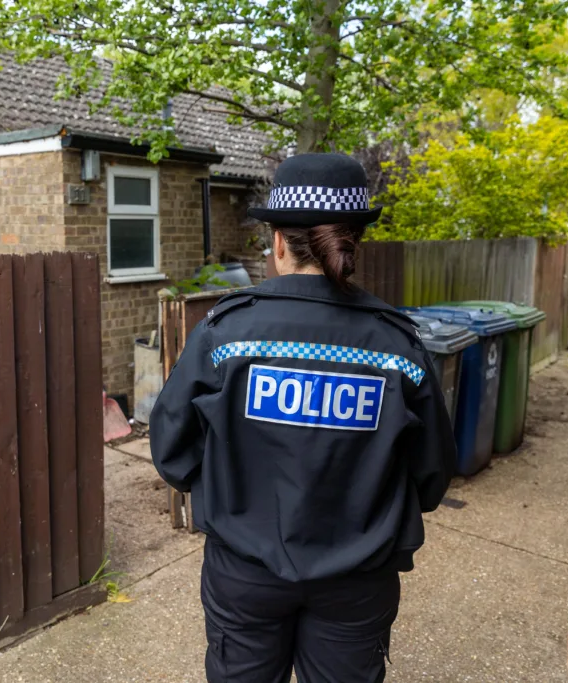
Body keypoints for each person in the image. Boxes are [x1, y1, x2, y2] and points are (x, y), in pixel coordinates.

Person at [149, 153, 456, 683]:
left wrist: (235, 491)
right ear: (352, 240)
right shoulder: (397, 345)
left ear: (277, 242)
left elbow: (173, 453)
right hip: (358, 578)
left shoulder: (225, 335)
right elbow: (430, 475)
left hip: (245, 568)